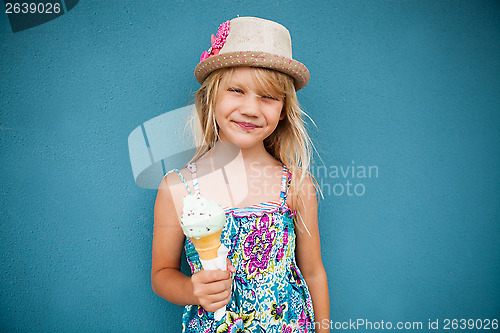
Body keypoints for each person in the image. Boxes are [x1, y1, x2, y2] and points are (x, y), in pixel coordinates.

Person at [151, 16, 329, 332]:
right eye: (236, 90)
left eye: (268, 96)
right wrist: (193, 290)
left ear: (284, 109)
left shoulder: (296, 186)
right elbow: (162, 274)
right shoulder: (177, 188)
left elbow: (313, 271)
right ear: (212, 96)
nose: (250, 108)